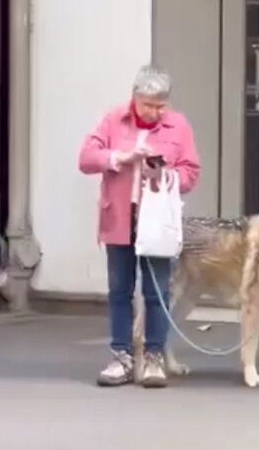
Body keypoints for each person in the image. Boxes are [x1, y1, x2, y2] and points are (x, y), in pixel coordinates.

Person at [77, 65, 201, 388]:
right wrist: (122, 157)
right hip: (119, 219)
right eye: (148, 104)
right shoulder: (113, 120)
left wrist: (165, 175)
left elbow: (191, 172)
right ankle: (121, 356)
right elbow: (86, 158)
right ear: (135, 98)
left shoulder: (179, 126)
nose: (155, 111)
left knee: (157, 292)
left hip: (157, 222)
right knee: (119, 291)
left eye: (161, 105)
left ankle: (154, 356)